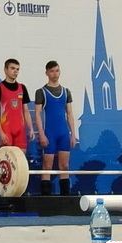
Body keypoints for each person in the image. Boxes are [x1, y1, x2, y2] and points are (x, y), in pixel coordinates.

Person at [34, 60, 77, 195]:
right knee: (47, 166)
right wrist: (41, 134)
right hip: (49, 134)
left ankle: (65, 198)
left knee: (64, 166)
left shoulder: (66, 92)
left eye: (57, 70)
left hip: (63, 133)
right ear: (46, 73)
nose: (55, 74)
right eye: (52, 71)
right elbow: (37, 114)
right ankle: (46, 199)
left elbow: (69, 114)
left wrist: (72, 134)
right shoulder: (41, 92)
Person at [0, 58, 35, 152]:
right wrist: (0, 132)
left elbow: (26, 110)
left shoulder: (22, 88)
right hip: (6, 130)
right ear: (5, 69)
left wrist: (31, 129)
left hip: (20, 130)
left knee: (20, 158)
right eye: (12, 68)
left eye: (17, 69)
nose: (15, 71)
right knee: (8, 159)